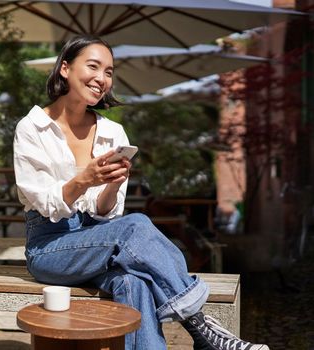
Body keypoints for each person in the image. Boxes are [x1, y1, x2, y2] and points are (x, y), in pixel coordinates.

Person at [13, 35, 269, 350]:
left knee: (134, 281)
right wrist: (85, 179)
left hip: (100, 242)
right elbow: (43, 201)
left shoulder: (112, 132)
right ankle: (201, 329)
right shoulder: (32, 127)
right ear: (64, 68)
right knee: (136, 225)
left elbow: (107, 213)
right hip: (50, 247)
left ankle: (200, 333)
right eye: (93, 66)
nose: (102, 79)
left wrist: (114, 183)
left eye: (109, 71)